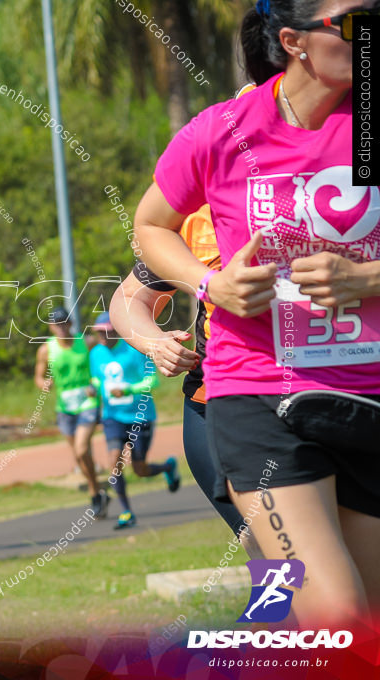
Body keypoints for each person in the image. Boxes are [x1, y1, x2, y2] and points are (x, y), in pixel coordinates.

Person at [134, 0, 380, 629]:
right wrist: (212, 284)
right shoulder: (225, 129)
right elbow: (151, 226)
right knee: (338, 611)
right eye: (357, 20)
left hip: (367, 396)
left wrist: (365, 278)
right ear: (296, 41)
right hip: (260, 395)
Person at [109, 203, 263, 555]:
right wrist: (154, 342)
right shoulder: (197, 214)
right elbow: (131, 297)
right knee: (266, 552)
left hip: (326, 394)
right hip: (212, 404)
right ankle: (282, 606)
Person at [88, 312, 179, 529]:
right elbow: (96, 378)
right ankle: (127, 511)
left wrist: (128, 388)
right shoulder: (96, 354)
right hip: (112, 418)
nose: (101, 336)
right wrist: (93, 388)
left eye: (106, 331)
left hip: (140, 416)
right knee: (114, 463)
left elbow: (151, 381)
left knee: (140, 469)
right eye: (98, 332)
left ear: (115, 330)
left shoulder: (134, 349)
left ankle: (168, 467)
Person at [33, 306, 108, 518]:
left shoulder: (85, 342)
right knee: (79, 455)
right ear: (51, 327)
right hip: (64, 407)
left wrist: (96, 382)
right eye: (56, 324)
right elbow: (38, 376)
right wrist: (44, 383)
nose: (61, 328)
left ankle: (94, 493)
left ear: (70, 324)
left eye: (64, 323)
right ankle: (98, 492)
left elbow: (103, 359)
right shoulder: (46, 349)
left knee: (82, 449)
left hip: (87, 403)